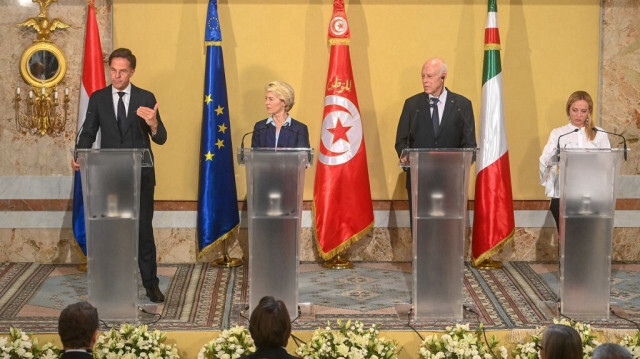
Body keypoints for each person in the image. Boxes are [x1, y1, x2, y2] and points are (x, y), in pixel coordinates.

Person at [71, 48, 168, 303]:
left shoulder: (146, 97)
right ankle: (114, 283)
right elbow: (88, 133)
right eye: (113, 70)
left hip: (141, 177)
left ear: (132, 71)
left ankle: (150, 285)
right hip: (110, 177)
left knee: (143, 232)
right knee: (114, 232)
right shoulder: (99, 98)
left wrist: (154, 124)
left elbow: (161, 138)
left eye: (122, 71)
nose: (116, 75)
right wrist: (79, 154)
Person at [394, 57, 476, 218]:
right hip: (420, 181)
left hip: (451, 181)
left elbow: (469, 144)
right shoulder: (412, 105)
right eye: (423, 76)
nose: (425, 81)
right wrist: (407, 160)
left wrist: (461, 166)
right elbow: (401, 140)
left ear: (443, 76)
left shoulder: (462, 105)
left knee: (448, 229)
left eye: (429, 76)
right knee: (422, 230)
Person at [539, 91, 610, 231]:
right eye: (575, 110)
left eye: (583, 111)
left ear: (589, 111)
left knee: (588, 240)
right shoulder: (559, 134)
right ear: (568, 110)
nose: (578, 115)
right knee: (566, 241)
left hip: (591, 196)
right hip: (565, 195)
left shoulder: (600, 134)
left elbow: (608, 165)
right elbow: (545, 160)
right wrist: (556, 158)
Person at [251, 81, 310, 148]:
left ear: (284, 102)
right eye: (266, 99)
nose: (266, 103)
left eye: (271, 99)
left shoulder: (299, 129)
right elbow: (255, 156)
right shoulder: (260, 127)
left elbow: (303, 157)